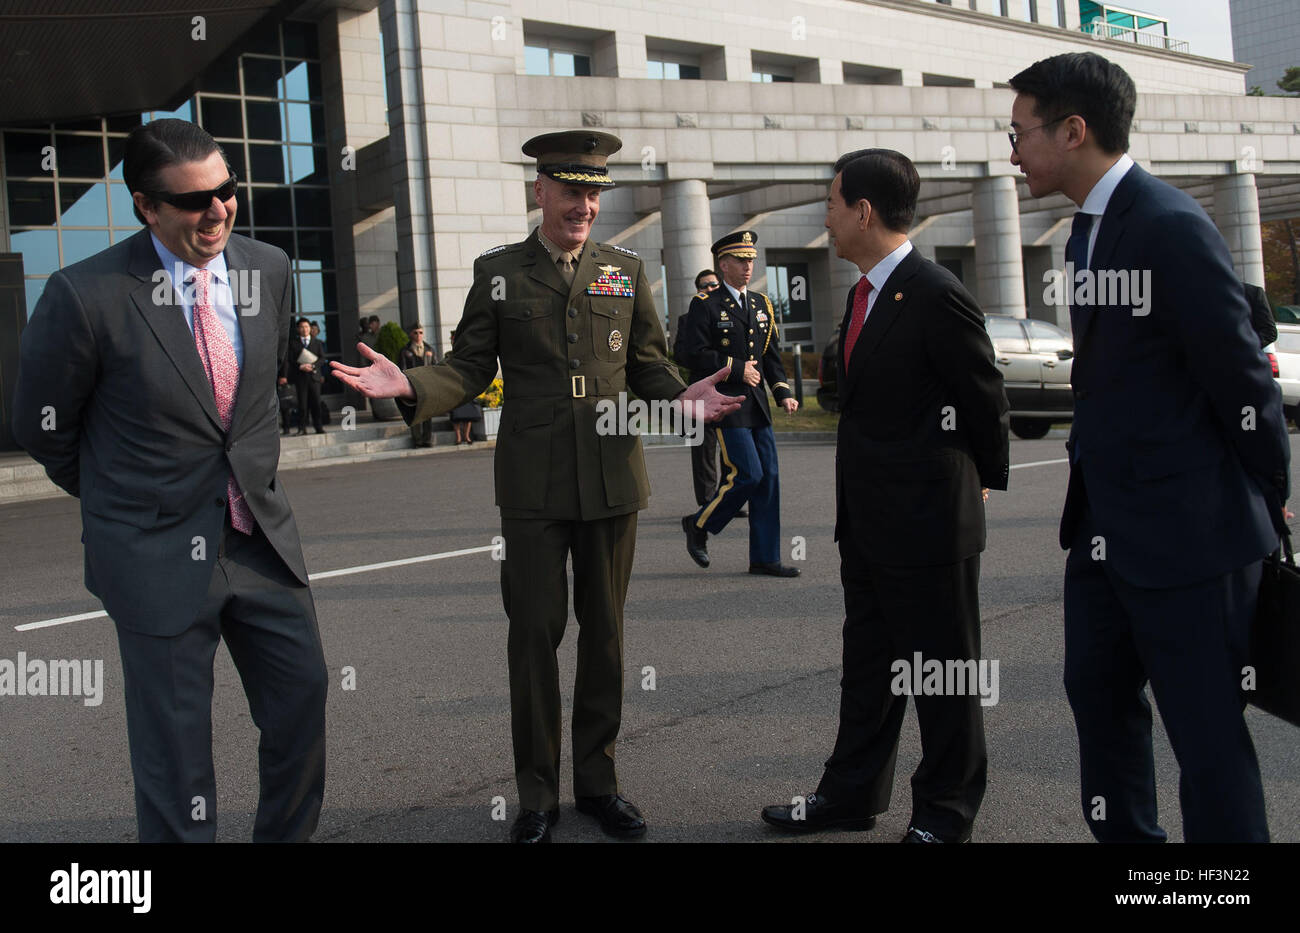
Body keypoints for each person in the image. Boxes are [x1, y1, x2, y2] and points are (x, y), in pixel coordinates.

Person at [330, 130, 741, 843]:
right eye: (571, 189)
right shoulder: (499, 273)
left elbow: (647, 364)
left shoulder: (623, 270)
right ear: (540, 191)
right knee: (533, 637)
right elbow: (465, 366)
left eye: (594, 192)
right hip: (532, 482)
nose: (584, 203)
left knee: (607, 636)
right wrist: (413, 386)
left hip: (613, 473)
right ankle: (538, 796)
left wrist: (679, 396)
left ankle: (601, 783)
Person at [12, 118, 327, 843]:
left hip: (259, 544)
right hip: (153, 557)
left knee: (302, 702)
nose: (216, 210)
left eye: (226, 191)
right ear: (146, 207)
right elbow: (43, 426)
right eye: (193, 201)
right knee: (175, 762)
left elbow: (255, 399)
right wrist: (126, 503)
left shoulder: (269, 269)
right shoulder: (84, 294)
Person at [1008, 52, 1289, 842]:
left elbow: (1241, 380)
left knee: (1204, 739)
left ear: (1074, 129)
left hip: (1191, 538)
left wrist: (1268, 491)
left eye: (1019, 132)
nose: (1013, 151)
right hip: (1102, 533)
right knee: (1098, 705)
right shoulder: (1087, 233)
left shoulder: (1166, 224)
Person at [761, 149, 1009, 843]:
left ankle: (944, 813)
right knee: (869, 671)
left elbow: (984, 398)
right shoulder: (864, 292)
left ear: (863, 210)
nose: (828, 220)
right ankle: (848, 795)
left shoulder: (935, 292)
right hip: (868, 524)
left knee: (942, 678)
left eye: (832, 205)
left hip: (931, 524)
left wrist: (979, 481)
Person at [677, 232, 800, 576]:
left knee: (769, 478)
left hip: (757, 403)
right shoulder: (705, 304)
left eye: (751, 260)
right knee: (747, 474)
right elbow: (692, 354)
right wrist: (733, 367)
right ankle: (699, 525)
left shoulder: (762, 304)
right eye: (741, 260)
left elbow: (771, 355)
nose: (749, 267)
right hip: (726, 402)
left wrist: (783, 391)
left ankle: (764, 557)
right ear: (723, 264)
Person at [673, 269, 724, 510]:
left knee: (731, 448)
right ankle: (707, 501)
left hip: (729, 390)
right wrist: (704, 358)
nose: (711, 289)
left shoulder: (730, 315)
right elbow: (681, 354)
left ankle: (728, 498)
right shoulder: (687, 319)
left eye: (714, 284)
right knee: (703, 449)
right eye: (706, 286)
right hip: (701, 389)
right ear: (698, 290)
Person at [282, 316, 326, 435]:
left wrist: (313, 366)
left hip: (314, 378)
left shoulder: (317, 342)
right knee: (302, 404)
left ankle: (319, 427)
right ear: (298, 329)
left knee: (316, 403)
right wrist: (299, 366)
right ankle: (302, 428)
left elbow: (322, 358)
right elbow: (289, 360)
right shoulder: (293, 343)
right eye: (301, 327)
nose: (304, 329)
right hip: (300, 378)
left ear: (310, 328)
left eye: (306, 326)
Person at [398, 323, 438, 447]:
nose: (418, 335)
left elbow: (435, 367)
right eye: (415, 332)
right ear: (411, 334)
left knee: (427, 412)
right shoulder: (405, 351)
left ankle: (427, 439)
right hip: (413, 386)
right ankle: (417, 440)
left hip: (427, 385)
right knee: (415, 412)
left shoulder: (429, 349)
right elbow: (402, 369)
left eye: (420, 332)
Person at [446, 327, 484, 446]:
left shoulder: (466, 352)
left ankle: (467, 436)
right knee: (455, 414)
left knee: (468, 412)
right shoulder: (448, 354)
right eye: (452, 339)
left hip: (465, 384)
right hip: (453, 385)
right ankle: (458, 437)